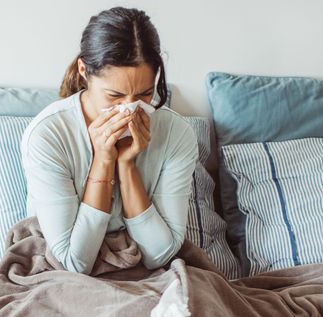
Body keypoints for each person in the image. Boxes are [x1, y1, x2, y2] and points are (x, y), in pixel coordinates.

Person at [21, 6, 197, 274]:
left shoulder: (176, 133)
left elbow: (160, 255)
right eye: (115, 96)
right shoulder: (49, 135)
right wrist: (103, 160)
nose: (130, 108)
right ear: (83, 70)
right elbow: (74, 263)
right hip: (63, 276)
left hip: (148, 274)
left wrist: (127, 167)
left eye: (144, 94)